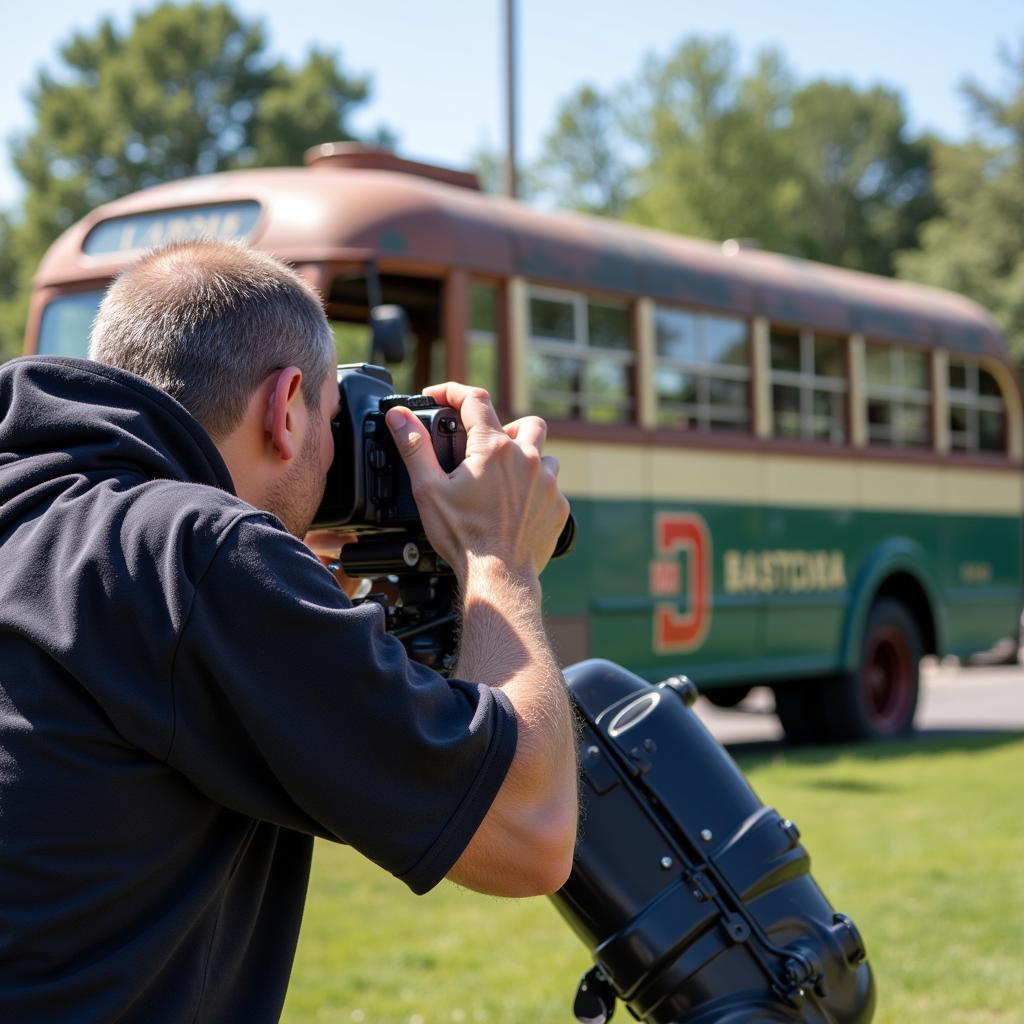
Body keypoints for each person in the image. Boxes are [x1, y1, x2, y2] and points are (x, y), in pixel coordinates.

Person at [0, 240, 578, 1023]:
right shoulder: (196, 553)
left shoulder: (37, 509)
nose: (337, 456)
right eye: (336, 423)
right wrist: (498, 556)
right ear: (286, 407)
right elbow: (527, 830)